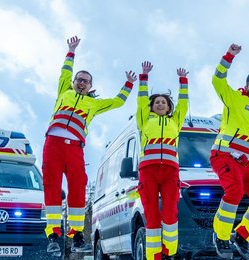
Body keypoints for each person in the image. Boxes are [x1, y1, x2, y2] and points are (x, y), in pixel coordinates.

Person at [42, 36, 137, 255]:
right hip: (53, 145)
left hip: (75, 147)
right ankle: (53, 234)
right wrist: (71, 51)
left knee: (78, 186)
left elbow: (118, 102)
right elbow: (64, 71)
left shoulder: (93, 104)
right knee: (52, 186)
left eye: (86, 81)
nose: (81, 82)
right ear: (74, 82)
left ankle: (76, 235)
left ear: (90, 86)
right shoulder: (64, 92)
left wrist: (129, 84)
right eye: (79, 79)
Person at [210, 44, 249, 260]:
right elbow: (217, 80)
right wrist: (229, 56)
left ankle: (242, 235)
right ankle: (220, 236)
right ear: (247, 86)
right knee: (235, 191)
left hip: (248, 164)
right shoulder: (235, 99)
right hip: (224, 155)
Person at [136, 61, 188, 260]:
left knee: (169, 212)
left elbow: (183, 103)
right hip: (148, 171)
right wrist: (144, 77)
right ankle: (154, 255)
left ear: (168, 107)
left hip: (169, 171)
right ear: (152, 106)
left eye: (163, 102)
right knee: (151, 214)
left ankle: (169, 252)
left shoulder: (176, 121)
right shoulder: (144, 120)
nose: (159, 104)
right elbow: (141, 101)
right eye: (156, 102)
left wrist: (183, 82)